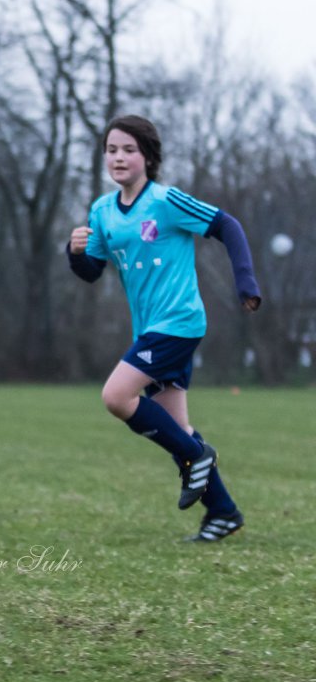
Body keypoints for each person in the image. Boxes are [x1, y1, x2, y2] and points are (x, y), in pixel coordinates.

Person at [66, 114, 261, 542]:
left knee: (117, 396)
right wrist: (74, 251)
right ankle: (223, 512)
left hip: (180, 323)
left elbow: (228, 225)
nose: (118, 157)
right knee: (178, 429)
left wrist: (245, 281)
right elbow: (91, 272)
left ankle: (197, 456)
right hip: (149, 329)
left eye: (128, 150)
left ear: (148, 157)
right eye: (112, 150)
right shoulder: (102, 211)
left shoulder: (167, 201)